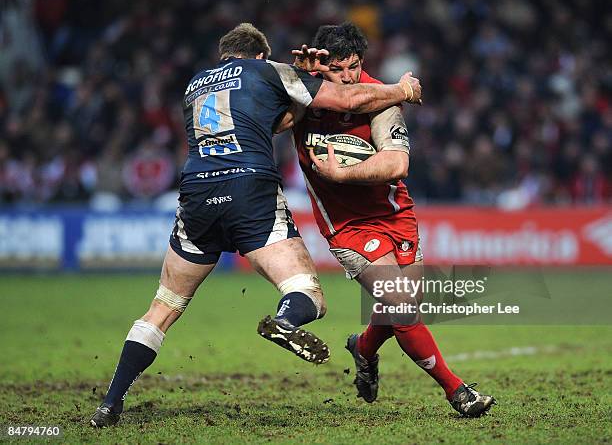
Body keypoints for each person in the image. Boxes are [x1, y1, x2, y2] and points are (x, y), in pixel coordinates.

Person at [90, 22, 423, 427]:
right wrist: (401, 90)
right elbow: (347, 97)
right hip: (250, 190)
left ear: (224, 56)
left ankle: (110, 402)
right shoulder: (269, 71)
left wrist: (301, 83)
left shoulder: (195, 85)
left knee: (163, 307)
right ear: (261, 55)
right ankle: (284, 320)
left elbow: (277, 121)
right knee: (306, 293)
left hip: (196, 194)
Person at [279, 22, 495, 417]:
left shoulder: (381, 99)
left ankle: (362, 348)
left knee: (402, 306)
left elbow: (397, 162)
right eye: (337, 69)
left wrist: (343, 174)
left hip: (396, 217)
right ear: (321, 67)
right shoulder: (305, 96)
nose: (347, 77)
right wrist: (295, 80)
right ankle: (458, 392)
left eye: (354, 67)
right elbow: (273, 123)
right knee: (401, 307)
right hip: (348, 227)